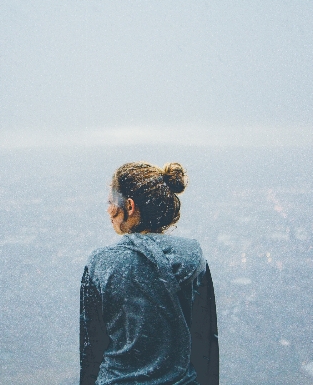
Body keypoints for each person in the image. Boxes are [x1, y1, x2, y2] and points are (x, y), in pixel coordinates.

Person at [80, 162, 219, 385]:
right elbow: (205, 344)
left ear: (130, 205)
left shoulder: (101, 264)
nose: (108, 210)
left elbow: (92, 350)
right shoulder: (193, 258)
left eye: (110, 202)